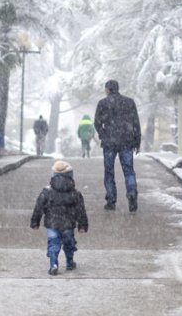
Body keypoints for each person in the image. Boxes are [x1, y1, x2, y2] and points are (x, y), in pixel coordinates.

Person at [30, 160, 88, 275]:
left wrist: (35, 222)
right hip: (68, 223)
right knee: (69, 243)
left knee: (53, 243)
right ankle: (70, 262)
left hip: (52, 223)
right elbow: (81, 211)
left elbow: (38, 208)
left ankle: (53, 264)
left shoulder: (46, 192)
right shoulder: (75, 193)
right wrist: (82, 225)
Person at [94, 79, 141, 212]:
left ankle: (111, 200)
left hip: (109, 142)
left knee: (109, 172)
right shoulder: (129, 102)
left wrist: (103, 134)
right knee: (129, 170)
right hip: (126, 141)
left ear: (107, 89)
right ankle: (131, 194)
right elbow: (135, 122)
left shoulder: (103, 103)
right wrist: (137, 141)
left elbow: (97, 122)